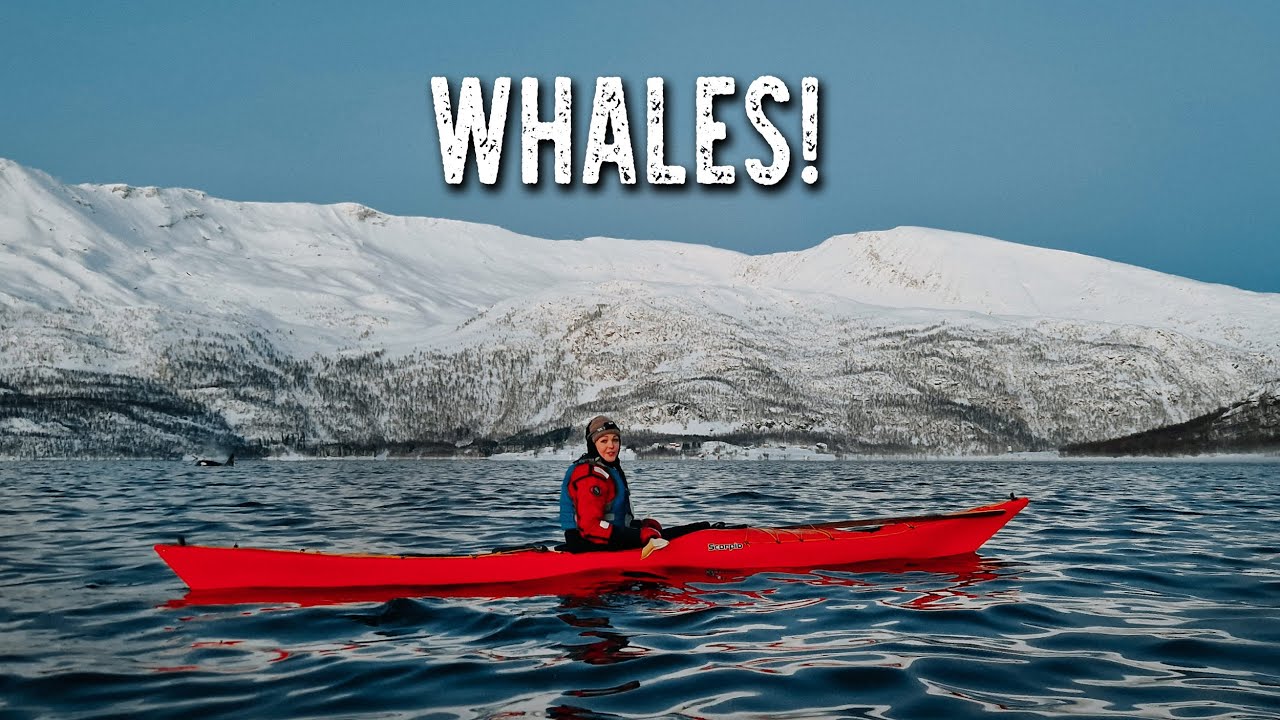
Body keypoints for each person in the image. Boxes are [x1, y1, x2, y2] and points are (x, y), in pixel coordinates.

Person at [559, 416, 663, 552]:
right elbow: (590, 527)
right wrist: (637, 536)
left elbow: (614, 518)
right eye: (604, 441)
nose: (611, 446)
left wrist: (639, 525)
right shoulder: (589, 475)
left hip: (607, 539)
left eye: (615, 440)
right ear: (593, 445)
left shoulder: (607, 470)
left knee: (681, 531)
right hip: (588, 544)